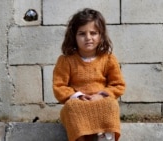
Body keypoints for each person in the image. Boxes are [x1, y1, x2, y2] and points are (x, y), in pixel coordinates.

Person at [53, 8, 126, 141]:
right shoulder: (66, 60)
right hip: (79, 104)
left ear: (101, 35)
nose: (88, 38)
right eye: (82, 33)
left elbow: (118, 85)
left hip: (101, 101)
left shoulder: (108, 59)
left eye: (93, 33)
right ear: (73, 36)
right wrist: (78, 96)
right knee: (71, 107)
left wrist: (100, 95)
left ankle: (104, 137)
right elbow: (59, 86)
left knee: (111, 104)